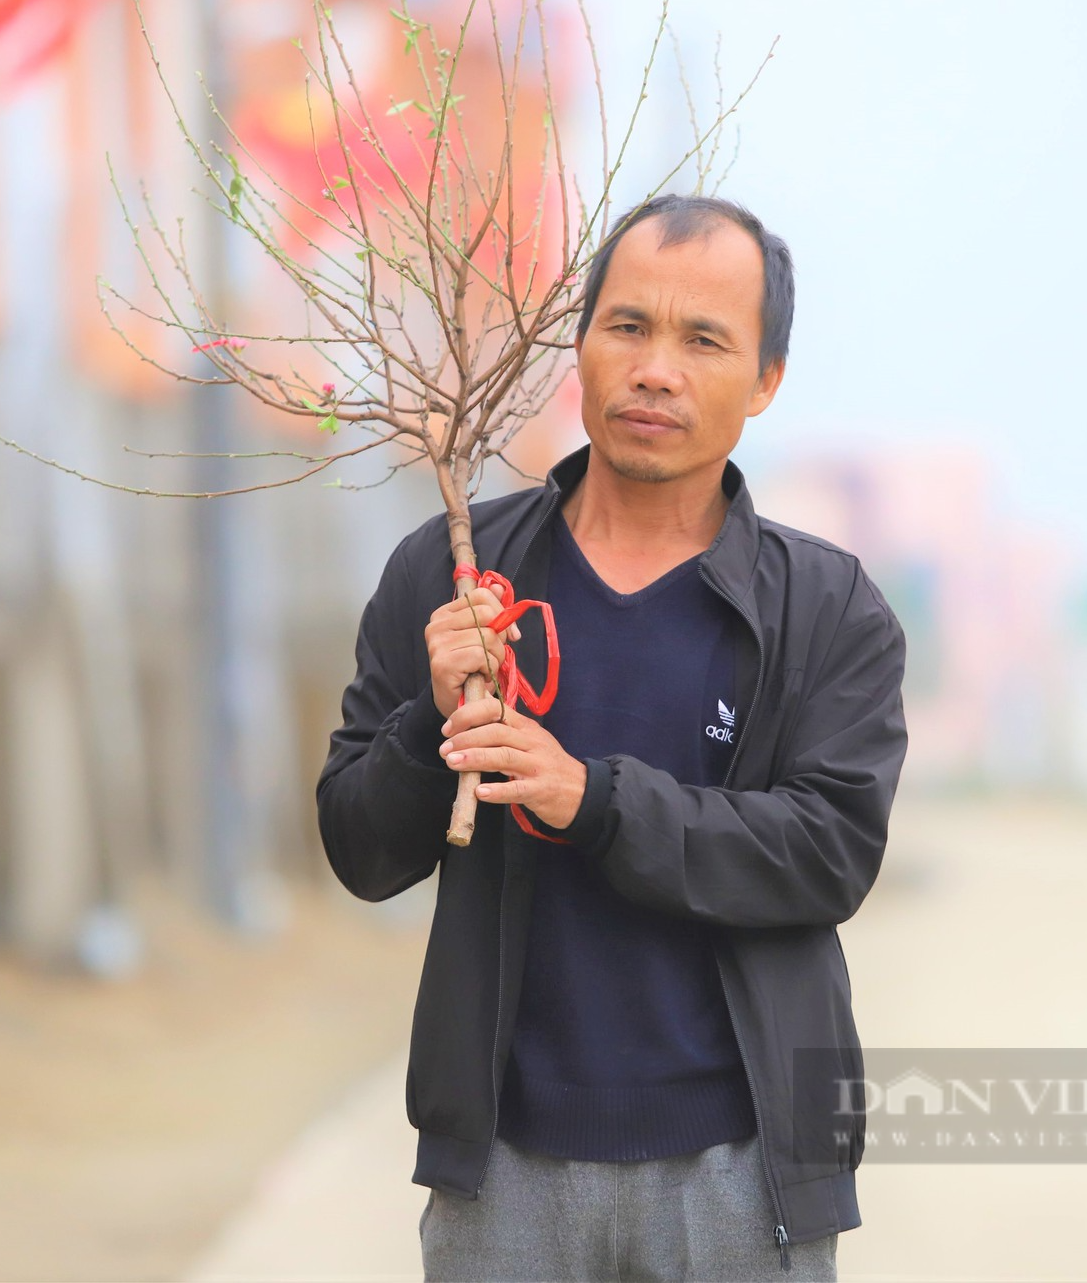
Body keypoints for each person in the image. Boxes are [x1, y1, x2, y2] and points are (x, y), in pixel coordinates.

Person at [317, 194, 910, 1282]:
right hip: (500, 1169)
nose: (654, 370)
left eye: (702, 340)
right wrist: (428, 723)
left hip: (741, 1172)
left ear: (765, 380)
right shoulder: (453, 576)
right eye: (627, 327)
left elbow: (828, 852)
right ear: (578, 346)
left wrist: (590, 801)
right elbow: (359, 850)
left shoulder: (825, 609)